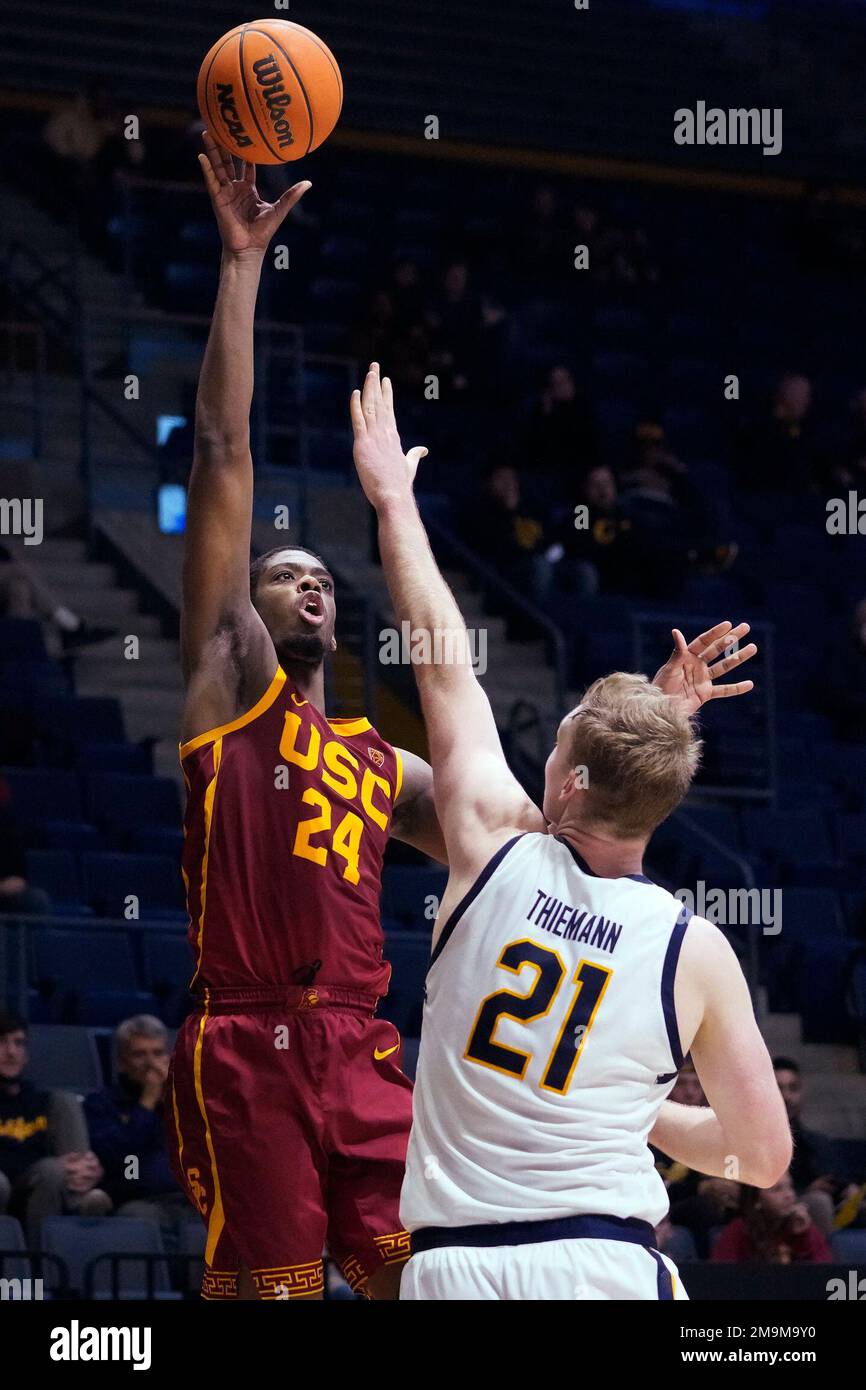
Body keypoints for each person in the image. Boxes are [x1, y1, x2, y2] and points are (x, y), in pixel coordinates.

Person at [350, 362, 791, 1301]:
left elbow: (440, 657)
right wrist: (642, 1117)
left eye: (553, 747)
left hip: (455, 1271)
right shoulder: (694, 949)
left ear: (572, 779)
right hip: (608, 1267)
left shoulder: (495, 844)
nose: (540, 759)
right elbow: (761, 1155)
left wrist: (393, 502)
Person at [166, 133, 447, 1303]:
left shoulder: (386, 761)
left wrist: (643, 731)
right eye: (284, 573)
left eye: (322, 576)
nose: (310, 582)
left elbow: (522, 829)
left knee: (424, 1284)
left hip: (364, 1045)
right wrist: (242, 265)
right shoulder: (232, 677)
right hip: (249, 1043)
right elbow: (224, 452)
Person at [0, 1011, 110, 1242]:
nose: (11, 1052)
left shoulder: (42, 1101)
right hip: (5, 1185)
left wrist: (86, 1167)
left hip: (39, 1185)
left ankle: (82, 1187)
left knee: (66, 1101)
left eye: (18, 1043)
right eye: (1, 1042)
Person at [84, 1017, 189, 1239]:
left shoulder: (186, 1102)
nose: (151, 1063)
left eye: (158, 1053)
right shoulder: (101, 1103)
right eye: (139, 1055)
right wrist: (147, 1102)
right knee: (136, 1219)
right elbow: (121, 1157)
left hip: (189, 1200)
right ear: (121, 1062)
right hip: (138, 1201)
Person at [711, 1173, 831, 1264]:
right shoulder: (738, 1231)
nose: (789, 1195)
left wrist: (802, 1238)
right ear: (756, 1199)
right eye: (777, 1189)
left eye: (790, 1187)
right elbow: (722, 1278)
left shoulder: (805, 1228)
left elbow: (823, 1278)